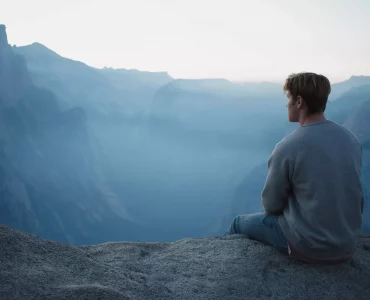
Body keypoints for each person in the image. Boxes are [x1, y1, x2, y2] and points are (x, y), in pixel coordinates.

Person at [226, 72, 364, 264]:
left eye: (289, 97)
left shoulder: (289, 146)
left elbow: (271, 205)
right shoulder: (351, 140)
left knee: (238, 223)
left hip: (308, 246)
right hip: (347, 245)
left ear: (299, 102)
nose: (286, 104)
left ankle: (226, 271)